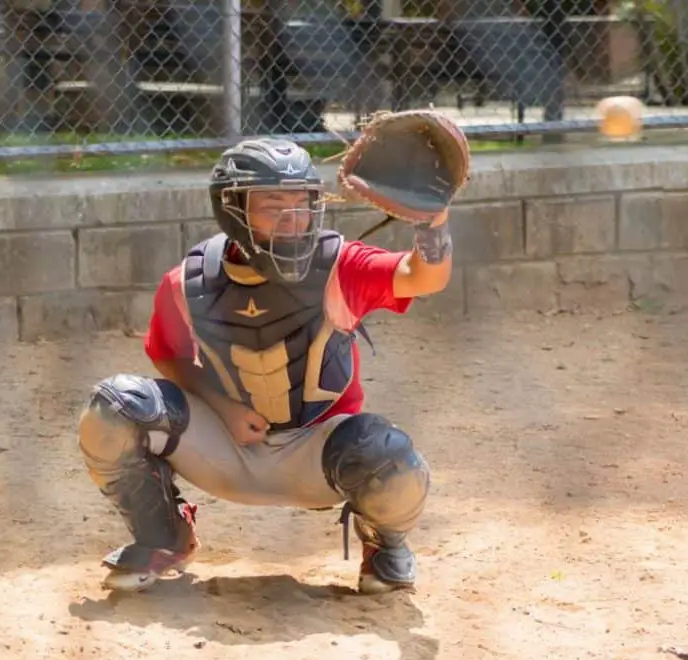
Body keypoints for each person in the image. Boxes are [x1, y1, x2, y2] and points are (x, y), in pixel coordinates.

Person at [76, 137, 455, 596]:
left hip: (318, 455)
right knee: (114, 407)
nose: (292, 218)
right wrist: (223, 408)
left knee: (389, 455)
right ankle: (163, 536)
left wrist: (432, 223)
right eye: (273, 205)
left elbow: (424, 276)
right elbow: (166, 352)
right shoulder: (191, 279)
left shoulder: (340, 266)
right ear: (231, 208)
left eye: (302, 204)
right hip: (225, 449)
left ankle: (384, 546)